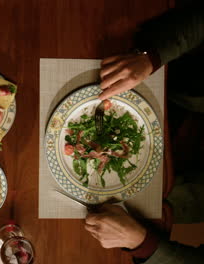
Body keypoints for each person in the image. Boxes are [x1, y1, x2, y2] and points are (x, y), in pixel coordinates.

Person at [85, 2, 204, 263]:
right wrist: (151, 56)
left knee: (109, 201)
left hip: (190, 192)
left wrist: (142, 243)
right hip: (186, 85)